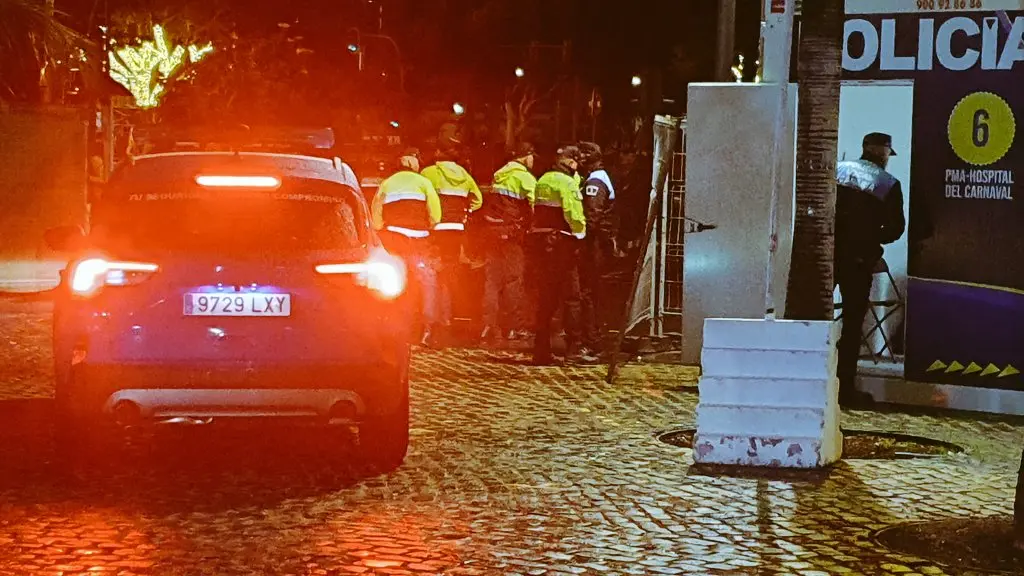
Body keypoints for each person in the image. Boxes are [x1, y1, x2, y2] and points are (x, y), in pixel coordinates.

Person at [834, 132, 905, 407]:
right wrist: (872, 238)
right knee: (852, 326)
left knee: (815, 318)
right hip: (859, 261)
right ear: (884, 153)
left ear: (864, 149)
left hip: (827, 255)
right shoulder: (888, 184)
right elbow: (896, 229)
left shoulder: (839, 170)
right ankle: (844, 388)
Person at [371, 148, 443, 346]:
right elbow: (436, 216)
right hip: (420, 240)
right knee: (426, 283)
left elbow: (376, 218)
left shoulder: (387, 183)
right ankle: (428, 330)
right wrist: (427, 225)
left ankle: (396, 326)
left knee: (397, 282)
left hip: (395, 240)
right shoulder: (424, 183)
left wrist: (384, 229)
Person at [529, 146, 593, 365]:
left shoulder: (543, 180)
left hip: (542, 245)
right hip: (562, 245)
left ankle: (541, 350)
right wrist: (581, 236)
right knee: (572, 296)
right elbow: (574, 215)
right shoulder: (567, 183)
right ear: (572, 163)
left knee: (546, 298)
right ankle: (574, 348)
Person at [421, 145, 483, 345]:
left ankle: (429, 325)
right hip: (456, 229)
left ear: (438, 156)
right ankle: (446, 320)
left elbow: (423, 197)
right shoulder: (464, 175)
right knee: (448, 276)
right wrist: (465, 213)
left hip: (436, 228)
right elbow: (478, 199)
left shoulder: (429, 172)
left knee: (432, 276)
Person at [479, 142, 537, 343]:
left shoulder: (499, 173)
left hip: (492, 232)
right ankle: (513, 327)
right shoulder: (524, 177)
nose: (533, 160)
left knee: (492, 280)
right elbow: (534, 205)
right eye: (532, 156)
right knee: (513, 279)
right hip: (512, 234)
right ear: (525, 156)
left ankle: (488, 325)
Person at [573, 141, 618, 357]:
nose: (579, 158)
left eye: (583, 154)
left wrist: (582, 242)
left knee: (587, 292)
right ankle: (593, 337)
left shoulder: (595, 181)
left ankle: (591, 340)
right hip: (598, 243)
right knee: (591, 291)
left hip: (593, 245)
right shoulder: (599, 178)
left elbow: (592, 215)